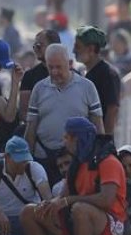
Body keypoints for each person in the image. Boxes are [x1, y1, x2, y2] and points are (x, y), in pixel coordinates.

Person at [20, 117, 126, 235]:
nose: (64, 141)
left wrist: (68, 201)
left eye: (66, 137)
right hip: (78, 217)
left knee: (79, 209)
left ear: (77, 139)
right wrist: (50, 204)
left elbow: (106, 200)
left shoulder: (108, 162)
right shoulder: (78, 164)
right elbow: (63, 197)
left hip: (109, 223)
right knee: (29, 212)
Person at [25, 44, 104, 183]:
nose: (55, 72)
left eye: (59, 67)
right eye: (51, 67)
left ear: (69, 63)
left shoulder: (87, 87)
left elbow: (98, 125)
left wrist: (101, 156)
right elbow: (31, 126)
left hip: (77, 157)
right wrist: (27, 159)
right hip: (44, 156)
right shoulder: (39, 88)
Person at [0, 136, 52, 235]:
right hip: (1, 221)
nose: (23, 164)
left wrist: (46, 204)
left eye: (25, 160)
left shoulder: (34, 168)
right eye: (19, 160)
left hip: (29, 219)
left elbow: (47, 195)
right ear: (7, 157)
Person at [74, 26, 122, 136]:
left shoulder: (108, 74)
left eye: (78, 47)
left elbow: (112, 109)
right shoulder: (82, 72)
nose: (74, 51)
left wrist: (104, 139)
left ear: (91, 49)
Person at [19, 29, 60, 120]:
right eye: (34, 46)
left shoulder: (72, 75)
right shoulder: (29, 76)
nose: (36, 49)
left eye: (39, 45)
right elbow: (24, 112)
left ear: (54, 46)